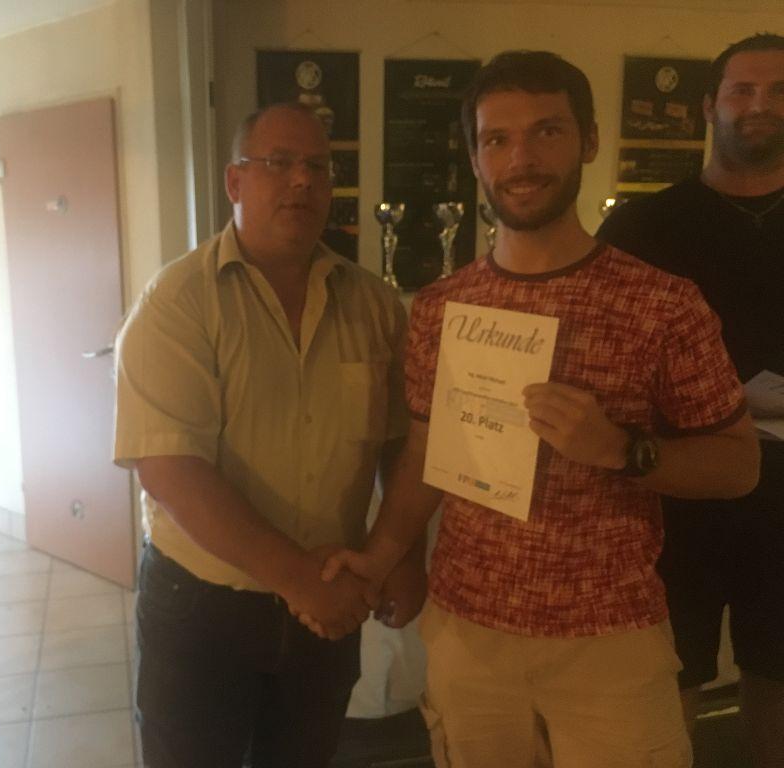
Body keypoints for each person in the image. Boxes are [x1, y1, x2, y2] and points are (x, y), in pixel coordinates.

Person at [314, 51, 761, 768]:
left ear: (589, 140)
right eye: (498, 139)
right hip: (468, 635)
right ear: (475, 158)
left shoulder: (663, 303)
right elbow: (426, 451)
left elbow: (739, 465)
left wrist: (622, 450)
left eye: (547, 131)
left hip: (610, 640)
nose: (522, 158)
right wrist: (378, 555)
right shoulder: (440, 307)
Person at [112, 102, 415, 768]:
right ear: (235, 181)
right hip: (203, 610)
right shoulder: (178, 303)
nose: (301, 180)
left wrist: (401, 554)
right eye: (278, 162)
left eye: (317, 166)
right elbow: (170, 470)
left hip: (326, 607)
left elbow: (399, 441)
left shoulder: (374, 305)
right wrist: (301, 581)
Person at [598, 33, 784, 768]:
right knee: (667, 677)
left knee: (778, 674)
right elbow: (600, 355)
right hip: (677, 486)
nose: (761, 105)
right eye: (743, 90)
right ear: (709, 106)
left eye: (780, 91)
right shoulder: (642, 226)